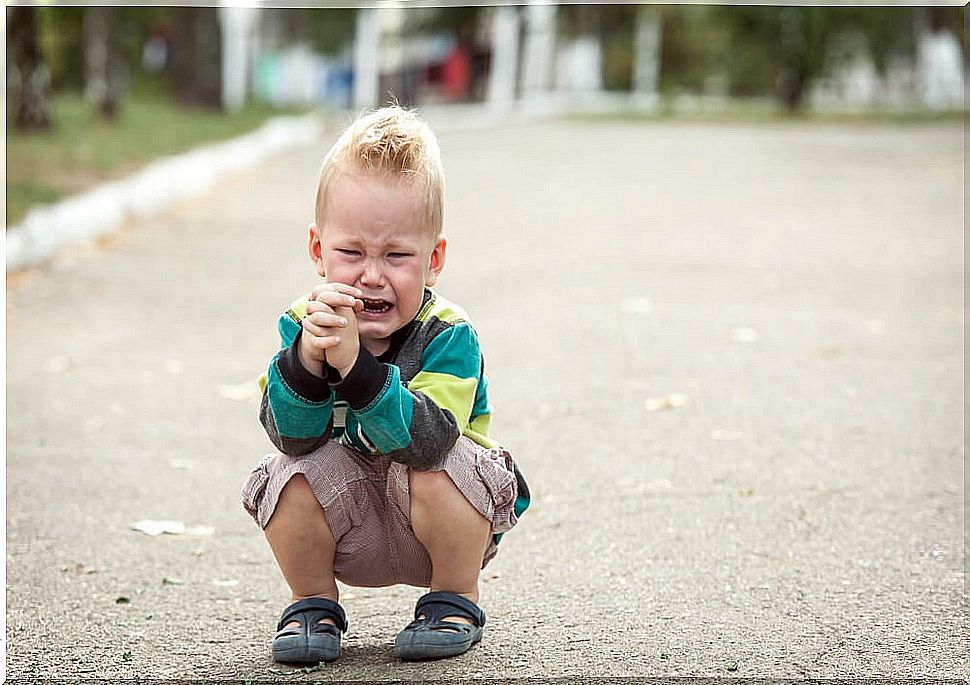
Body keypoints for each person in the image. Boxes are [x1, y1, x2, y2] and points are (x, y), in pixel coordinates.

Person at [241, 105, 529, 664]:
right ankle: (312, 604)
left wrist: (358, 369)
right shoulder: (303, 324)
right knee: (289, 475)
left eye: (397, 255)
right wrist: (308, 358)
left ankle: (453, 598)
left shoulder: (449, 334)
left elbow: (427, 440)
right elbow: (290, 436)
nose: (372, 274)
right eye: (351, 252)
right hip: (352, 519)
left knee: (441, 466)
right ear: (318, 251)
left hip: (441, 528)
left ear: (434, 259)